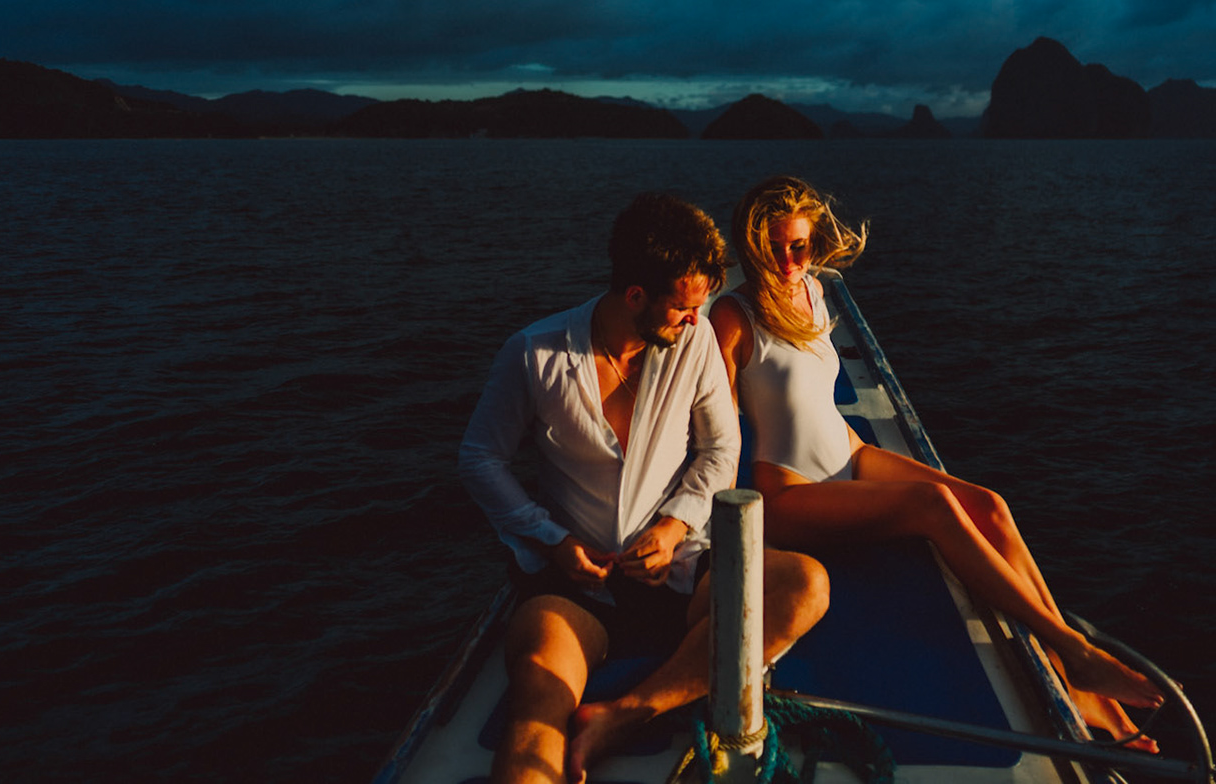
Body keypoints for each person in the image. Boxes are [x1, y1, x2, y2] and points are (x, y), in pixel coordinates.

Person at [708, 175, 1166, 751]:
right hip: (791, 491)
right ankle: (1075, 654)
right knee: (933, 505)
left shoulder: (814, 292)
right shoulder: (732, 315)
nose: (788, 259)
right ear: (752, 247)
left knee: (990, 506)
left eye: (798, 244)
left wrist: (855, 454)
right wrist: (722, 535)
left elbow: (818, 400)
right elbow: (720, 433)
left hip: (850, 454)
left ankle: (1075, 671)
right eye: (774, 247)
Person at [461, 192, 830, 784]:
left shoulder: (698, 339)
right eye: (684, 307)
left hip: (681, 565)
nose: (695, 319)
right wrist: (553, 540)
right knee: (537, 692)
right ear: (635, 296)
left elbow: (721, 448)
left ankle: (625, 713)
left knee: (805, 585)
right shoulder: (534, 354)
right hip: (576, 586)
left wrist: (675, 524)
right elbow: (480, 459)